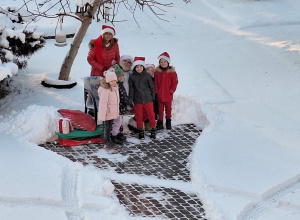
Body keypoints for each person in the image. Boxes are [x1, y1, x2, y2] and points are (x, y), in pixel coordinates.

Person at [129, 57, 156, 140]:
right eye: (137, 67)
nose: (139, 68)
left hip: (148, 99)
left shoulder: (147, 76)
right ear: (134, 68)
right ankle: (140, 130)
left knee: (151, 115)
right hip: (138, 100)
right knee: (139, 116)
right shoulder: (132, 77)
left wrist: (152, 97)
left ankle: (153, 130)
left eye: (141, 66)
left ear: (143, 67)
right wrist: (131, 99)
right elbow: (131, 89)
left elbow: (151, 87)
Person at [154, 52, 178, 130]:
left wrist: (171, 91)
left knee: (168, 109)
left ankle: (168, 121)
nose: (163, 63)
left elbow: (175, 83)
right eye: (161, 62)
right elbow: (155, 83)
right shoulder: (157, 72)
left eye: (164, 62)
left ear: (168, 62)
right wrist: (156, 91)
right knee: (160, 110)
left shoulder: (172, 72)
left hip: (168, 95)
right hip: (160, 95)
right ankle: (160, 122)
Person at [98, 70, 120, 150]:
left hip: (112, 112)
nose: (113, 82)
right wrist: (102, 115)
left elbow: (117, 101)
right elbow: (103, 103)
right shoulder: (106, 90)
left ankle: (108, 140)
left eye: (114, 80)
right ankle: (105, 142)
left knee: (110, 127)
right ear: (107, 81)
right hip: (107, 113)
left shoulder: (115, 88)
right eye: (111, 81)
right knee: (106, 127)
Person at [110, 64, 131, 144]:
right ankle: (114, 135)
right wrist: (128, 102)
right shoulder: (116, 86)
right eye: (119, 76)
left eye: (121, 75)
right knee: (117, 122)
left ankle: (117, 133)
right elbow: (122, 97)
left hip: (121, 107)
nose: (121, 78)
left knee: (119, 122)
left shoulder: (120, 84)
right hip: (118, 108)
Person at [144, 63, 159, 130]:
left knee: (154, 110)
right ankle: (147, 124)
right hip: (146, 97)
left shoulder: (154, 79)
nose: (150, 72)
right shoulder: (143, 79)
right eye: (148, 70)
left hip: (153, 97)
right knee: (146, 111)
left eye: (152, 70)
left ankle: (153, 124)